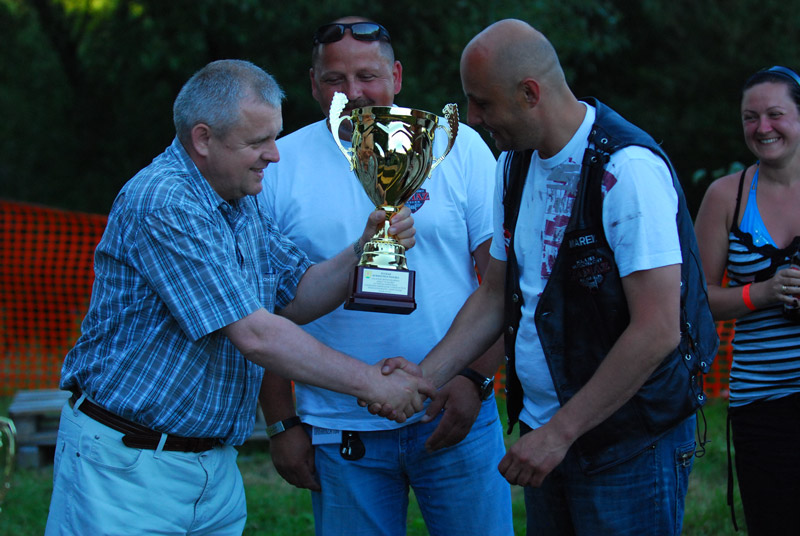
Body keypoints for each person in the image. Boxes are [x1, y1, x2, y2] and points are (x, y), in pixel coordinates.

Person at [43, 59, 434, 536]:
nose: (274, 154)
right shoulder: (164, 201)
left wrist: (363, 250)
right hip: (127, 471)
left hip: (211, 467)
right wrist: (372, 383)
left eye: (275, 137)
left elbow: (296, 295)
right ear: (203, 139)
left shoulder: (239, 198)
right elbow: (255, 334)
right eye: (257, 141)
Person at [373, 19, 719, 535]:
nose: (473, 117)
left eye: (481, 103)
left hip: (627, 442)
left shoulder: (626, 169)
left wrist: (560, 433)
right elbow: (496, 293)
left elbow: (657, 330)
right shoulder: (513, 164)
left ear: (530, 93)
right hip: (548, 433)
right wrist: (427, 376)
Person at [258, 16, 513, 536]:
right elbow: (259, 308)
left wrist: (476, 379)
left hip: (454, 410)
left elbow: (502, 283)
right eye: (335, 79)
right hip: (339, 425)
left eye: (367, 76)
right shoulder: (279, 165)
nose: (353, 93)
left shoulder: (457, 147)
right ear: (313, 85)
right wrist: (282, 422)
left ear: (395, 76)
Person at [694, 65, 800, 536]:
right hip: (762, 399)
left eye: (775, 114)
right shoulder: (726, 197)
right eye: (750, 117)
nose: (762, 127)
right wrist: (764, 293)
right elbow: (696, 300)